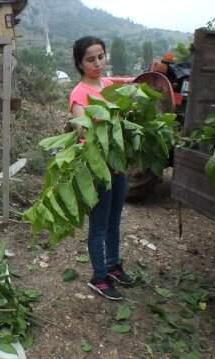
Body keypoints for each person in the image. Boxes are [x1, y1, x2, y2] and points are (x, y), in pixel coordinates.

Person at [69, 36, 134, 301]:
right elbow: (83, 129)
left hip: (118, 168)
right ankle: (98, 276)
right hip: (97, 169)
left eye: (101, 56)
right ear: (80, 63)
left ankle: (112, 265)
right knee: (99, 224)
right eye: (90, 59)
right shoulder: (78, 93)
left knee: (114, 220)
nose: (98, 63)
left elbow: (135, 86)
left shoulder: (108, 85)